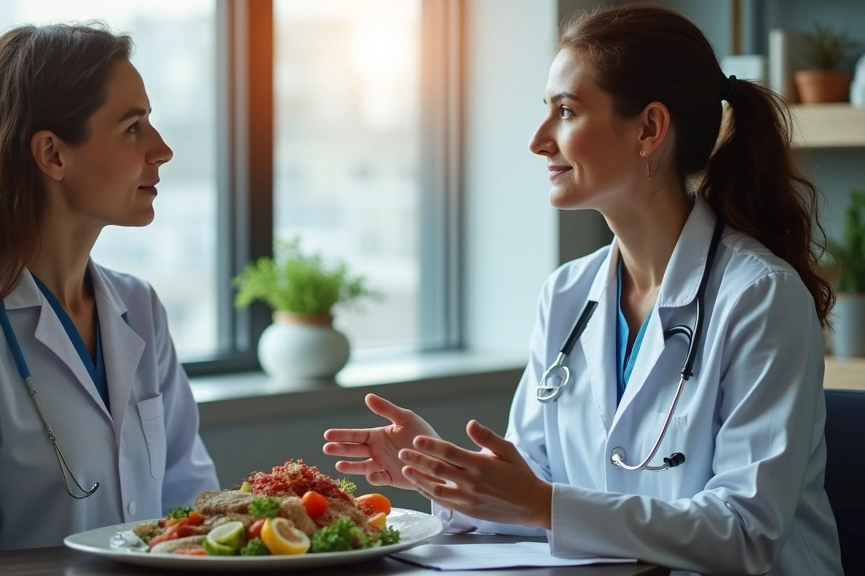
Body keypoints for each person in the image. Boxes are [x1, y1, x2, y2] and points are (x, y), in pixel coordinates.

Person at [323, 5, 843, 575]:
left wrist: (542, 502)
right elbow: (537, 492)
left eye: (565, 111)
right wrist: (445, 474)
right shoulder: (568, 293)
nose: (539, 141)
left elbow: (746, 532)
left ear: (649, 128)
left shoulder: (761, 296)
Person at [0, 22, 218, 557]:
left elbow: (196, 507)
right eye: (133, 128)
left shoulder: (140, 308)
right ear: (53, 155)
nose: (162, 150)